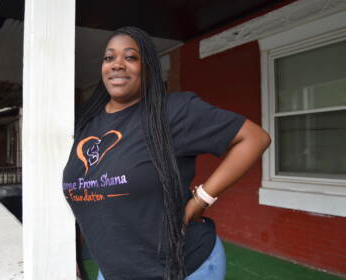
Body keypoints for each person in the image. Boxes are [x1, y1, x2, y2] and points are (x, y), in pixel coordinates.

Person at [63, 26, 271, 280]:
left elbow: (254, 138)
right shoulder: (86, 123)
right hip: (113, 272)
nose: (117, 64)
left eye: (130, 57)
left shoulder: (172, 112)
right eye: (109, 57)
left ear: (148, 67)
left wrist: (202, 199)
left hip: (181, 268)